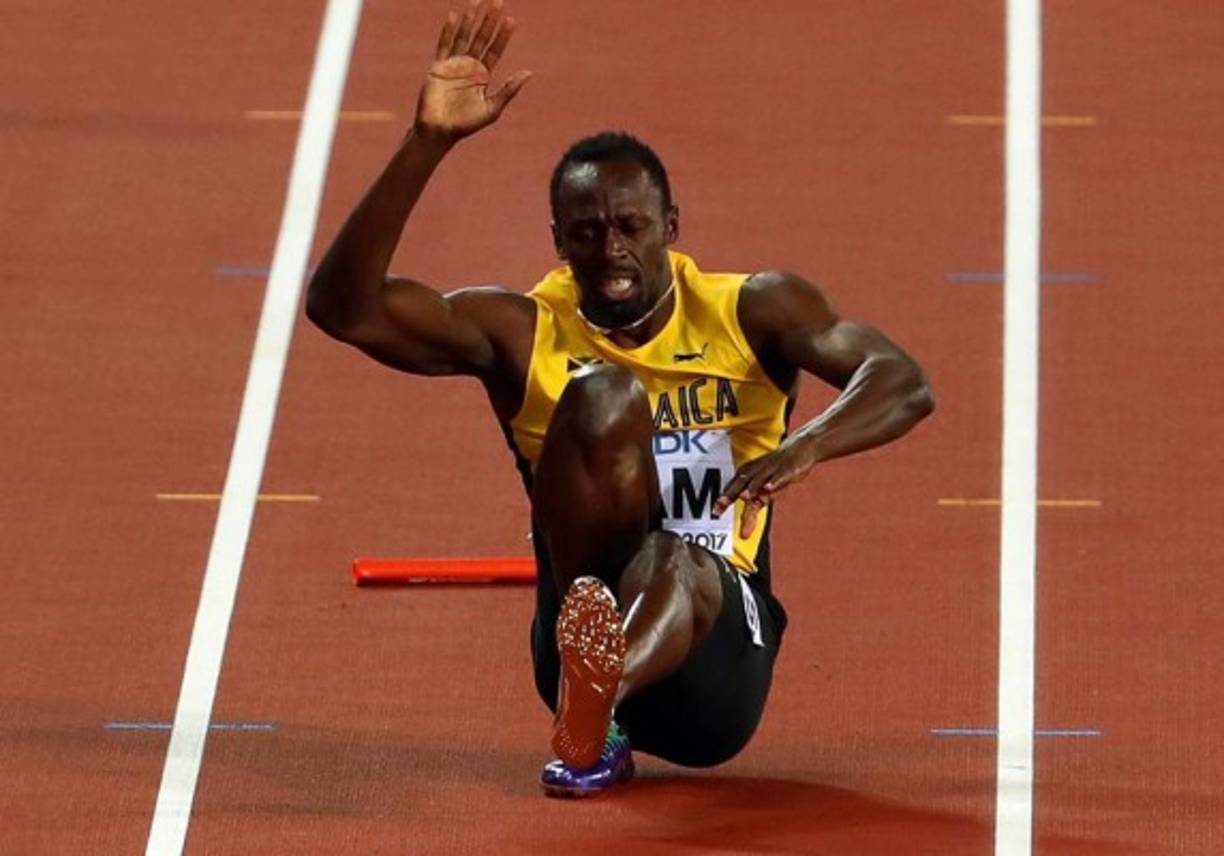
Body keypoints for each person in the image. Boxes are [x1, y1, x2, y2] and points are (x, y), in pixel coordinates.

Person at [306, 0, 934, 798]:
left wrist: (804, 443)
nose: (611, 251)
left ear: (670, 224)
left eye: (631, 226)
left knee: (682, 557)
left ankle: (597, 700)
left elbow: (902, 380)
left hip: (718, 666)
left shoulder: (754, 312)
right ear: (558, 241)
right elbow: (341, 308)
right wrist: (426, 144)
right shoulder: (523, 331)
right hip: (579, 615)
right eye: (586, 233)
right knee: (604, 395)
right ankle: (589, 706)